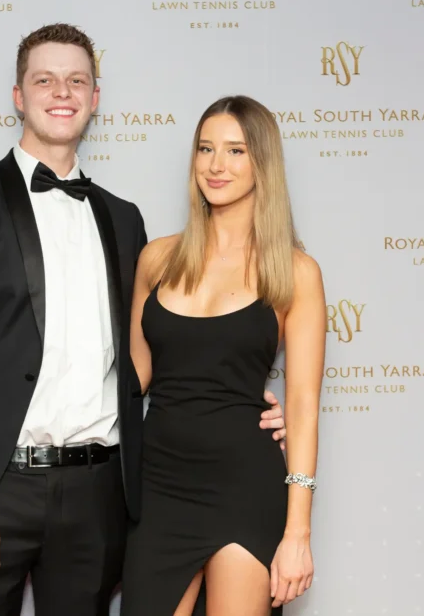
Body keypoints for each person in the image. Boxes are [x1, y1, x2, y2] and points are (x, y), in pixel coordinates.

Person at [0, 23, 288, 616]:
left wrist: (242, 399)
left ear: (94, 96)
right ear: (18, 95)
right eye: (44, 79)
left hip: (99, 494)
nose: (61, 91)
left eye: (76, 80)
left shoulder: (124, 220)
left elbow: (156, 350)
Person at [119, 95, 325, 616]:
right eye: (206, 148)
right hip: (159, 483)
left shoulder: (295, 272)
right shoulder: (158, 258)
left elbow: (301, 406)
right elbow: (131, 379)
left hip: (244, 485)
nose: (216, 165)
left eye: (236, 151)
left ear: (263, 162)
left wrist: (297, 532)